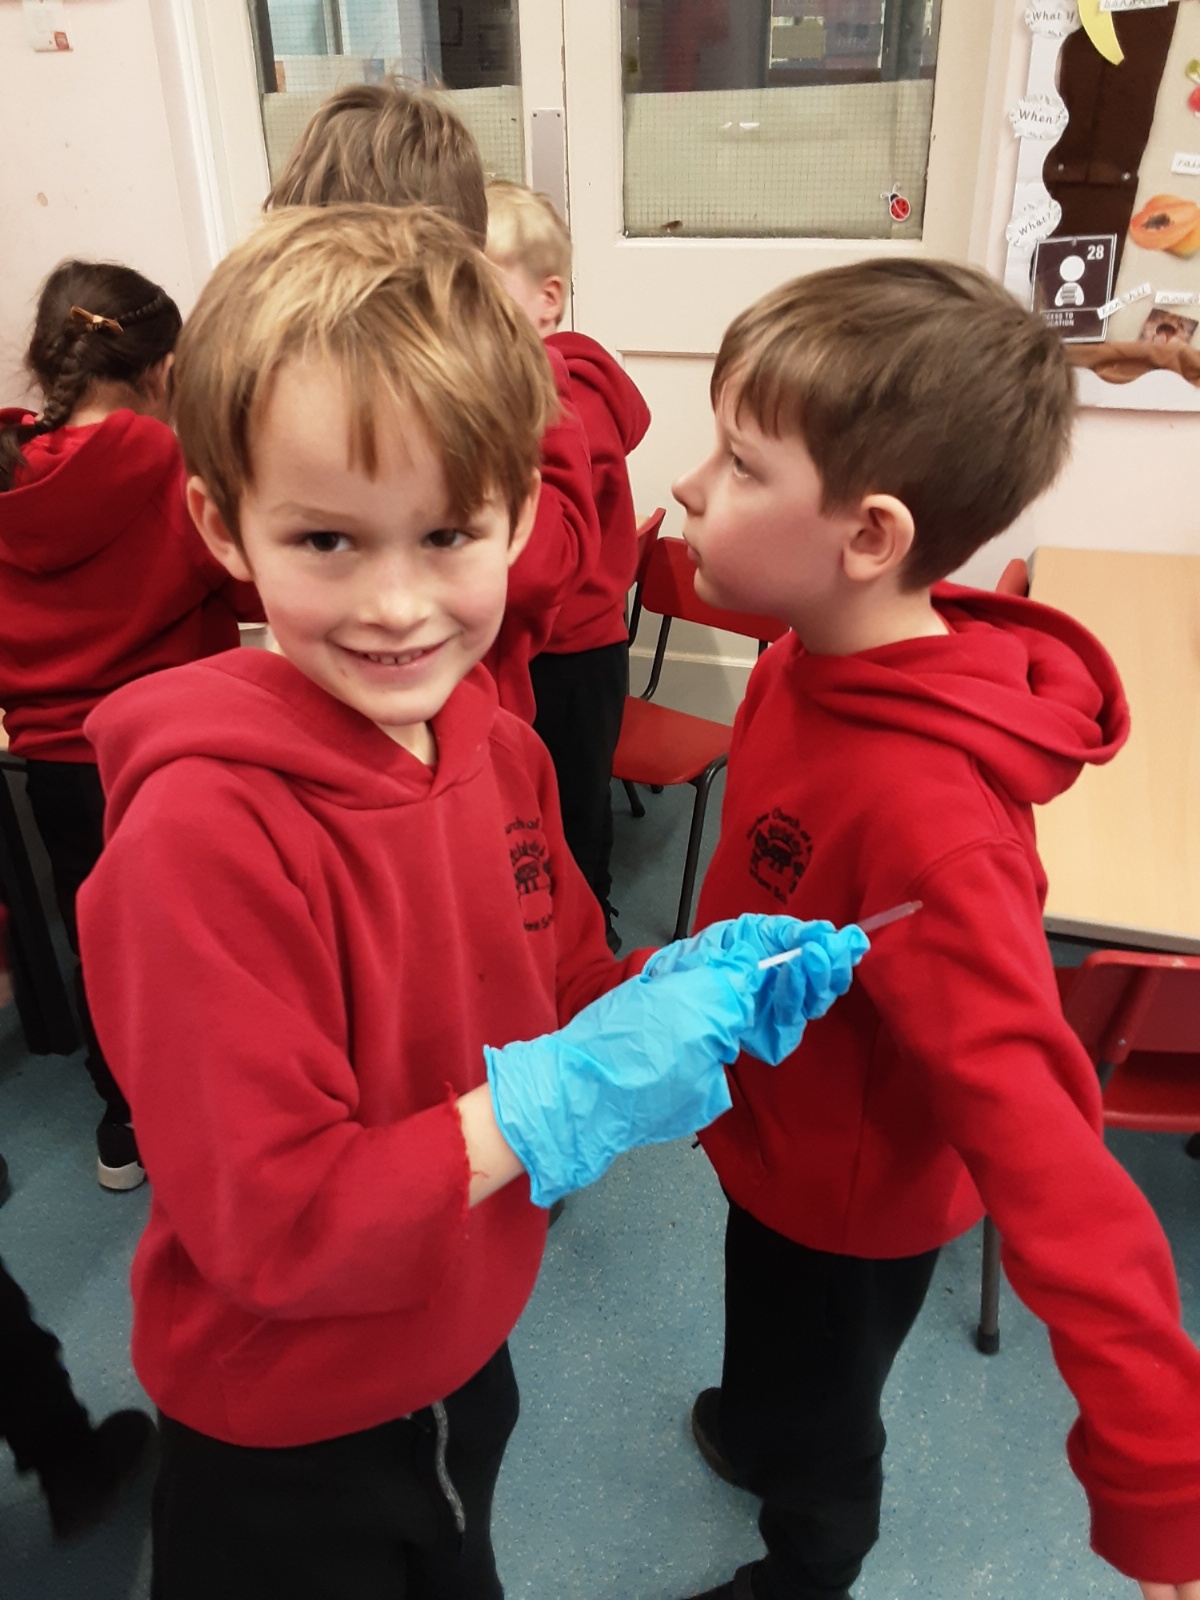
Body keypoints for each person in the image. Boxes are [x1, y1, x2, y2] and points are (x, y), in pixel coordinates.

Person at [75, 203, 866, 1600]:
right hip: (288, 1421)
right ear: (222, 522)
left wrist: (683, 986)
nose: (396, 606)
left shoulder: (496, 745)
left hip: (457, 1333)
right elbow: (271, 1225)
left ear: (522, 513)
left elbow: (557, 987)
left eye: (447, 532)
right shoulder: (199, 838)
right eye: (327, 539)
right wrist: (547, 1106)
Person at [669, 259, 1200, 1600]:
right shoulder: (804, 651)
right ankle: (762, 1420)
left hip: (850, 1205)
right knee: (770, 1339)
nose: (686, 487)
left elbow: (1046, 1145)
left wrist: (1163, 1472)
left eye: (737, 463)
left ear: (870, 535)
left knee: (825, 1417)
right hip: (772, 1132)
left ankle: (808, 1567)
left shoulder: (932, 824)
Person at [0, 261, 261, 1191]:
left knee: (100, 935)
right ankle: (228, 1113)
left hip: (57, 763)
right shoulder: (170, 465)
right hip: (176, 750)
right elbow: (247, 584)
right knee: (210, 935)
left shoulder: (7, 471)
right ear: (163, 370)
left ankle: (125, 1118)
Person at [267, 79, 599, 725]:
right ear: (468, 251)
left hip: (387, 705)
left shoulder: (280, 368)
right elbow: (546, 567)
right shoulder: (498, 369)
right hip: (455, 706)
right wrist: (537, 379)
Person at [486, 180, 650, 949]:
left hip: (574, 648)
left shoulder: (567, 398)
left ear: (547, 300)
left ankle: (591, 931)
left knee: (575, 802)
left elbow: (541, 547)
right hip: (529, 642)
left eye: (480, 291)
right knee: (525, 802)